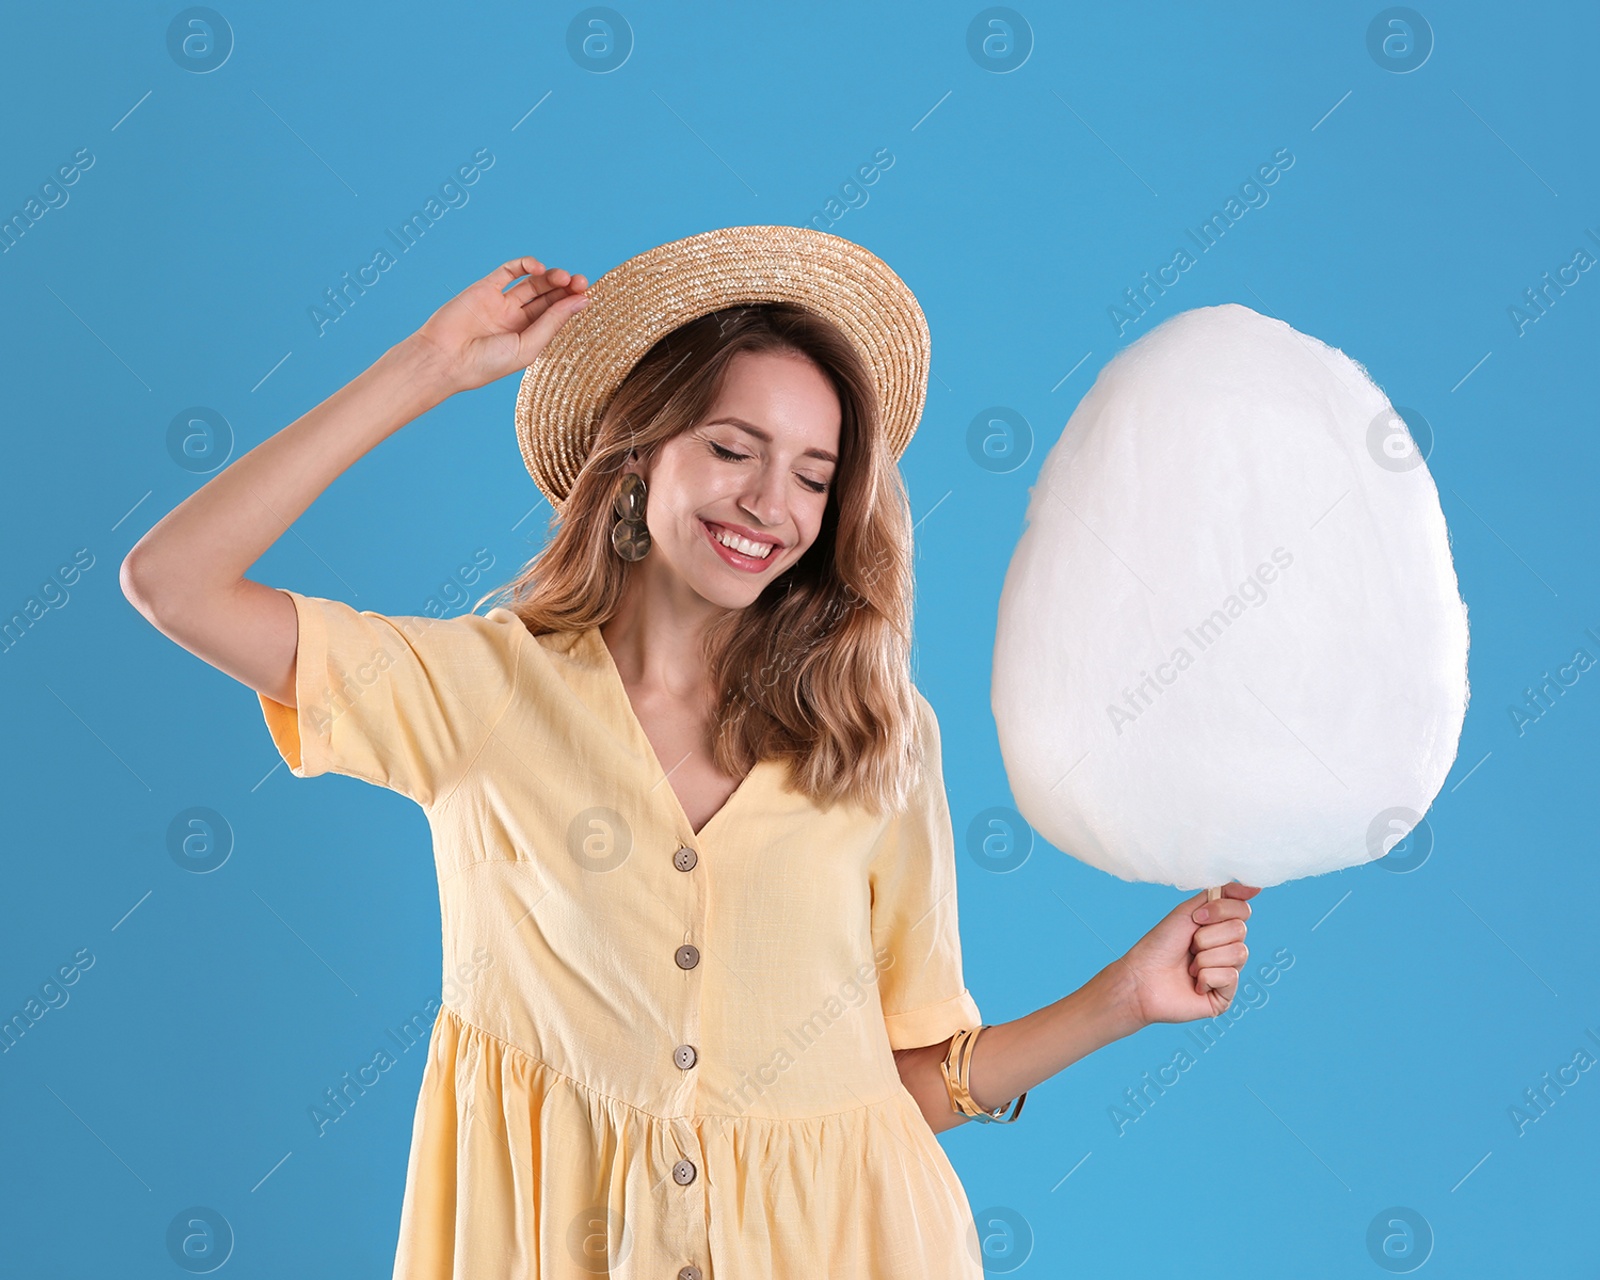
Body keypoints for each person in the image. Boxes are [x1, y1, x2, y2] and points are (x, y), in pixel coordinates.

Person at [121, 225, 1259, 1279]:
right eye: (732, 448)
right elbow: (174, 583)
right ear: (637, 458)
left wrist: (1119, 998)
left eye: (816, 475)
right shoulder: (477, 691)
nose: (770, 502)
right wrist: (428, 364)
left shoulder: (879, 731)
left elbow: (910, 1077)